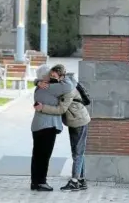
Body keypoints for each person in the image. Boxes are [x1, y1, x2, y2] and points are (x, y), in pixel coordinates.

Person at [34, 64, 91, 192]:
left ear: (61, 76)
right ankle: (81, 181)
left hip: (79, 121)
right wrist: (37, 81)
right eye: (51, 75)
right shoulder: (63, 82)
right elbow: (46, 82)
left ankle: (74, 182)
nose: (51, 78)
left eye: (53, 76)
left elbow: (61, 109)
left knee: (77, 152)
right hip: (74, 120)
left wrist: (42, 107)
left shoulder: (68, 88)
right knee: (78, 151)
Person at [30, 64, 74, 192]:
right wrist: (62, 74)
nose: (52, 76)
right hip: (47, 126)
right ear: (46, 76)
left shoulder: (39, 88)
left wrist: (37, 81)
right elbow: (69, 85)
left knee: (37, 155)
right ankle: (42, 183)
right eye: (50, 74)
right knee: (44, 156)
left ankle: (35, 182)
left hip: (38, 126)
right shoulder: (50, 87)